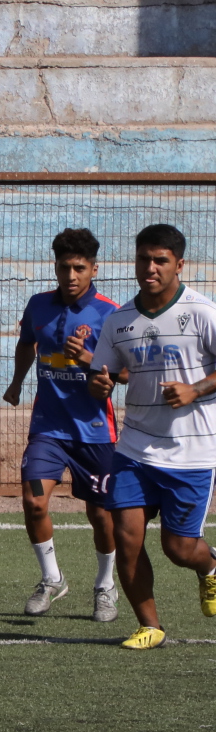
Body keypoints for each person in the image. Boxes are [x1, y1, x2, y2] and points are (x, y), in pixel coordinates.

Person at [88, 222, 216, 649]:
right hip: (135, 447)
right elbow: (99, 373)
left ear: (179, 264)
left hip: (191, 451)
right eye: (144, 258)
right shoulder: (119, 320)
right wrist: (100, 384)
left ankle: (209, 568)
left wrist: (195, 389)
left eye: (160, 260)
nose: (150, 267)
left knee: (179, 549)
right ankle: (150, 625)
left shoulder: (202, 312)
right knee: (126, 536)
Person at [1, 229, 122, 621]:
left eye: (79, 268)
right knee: (34, 502)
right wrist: (17, 382)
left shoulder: (110, 313)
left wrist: (89, 359)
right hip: (48, 429)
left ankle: (105, 586)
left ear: (94, 269)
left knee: (100, 515)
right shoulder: (39, 305)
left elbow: (123, 374)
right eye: (64, 267)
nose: (70, 275)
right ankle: (52, 579)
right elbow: (26, 344)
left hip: (94, 433)